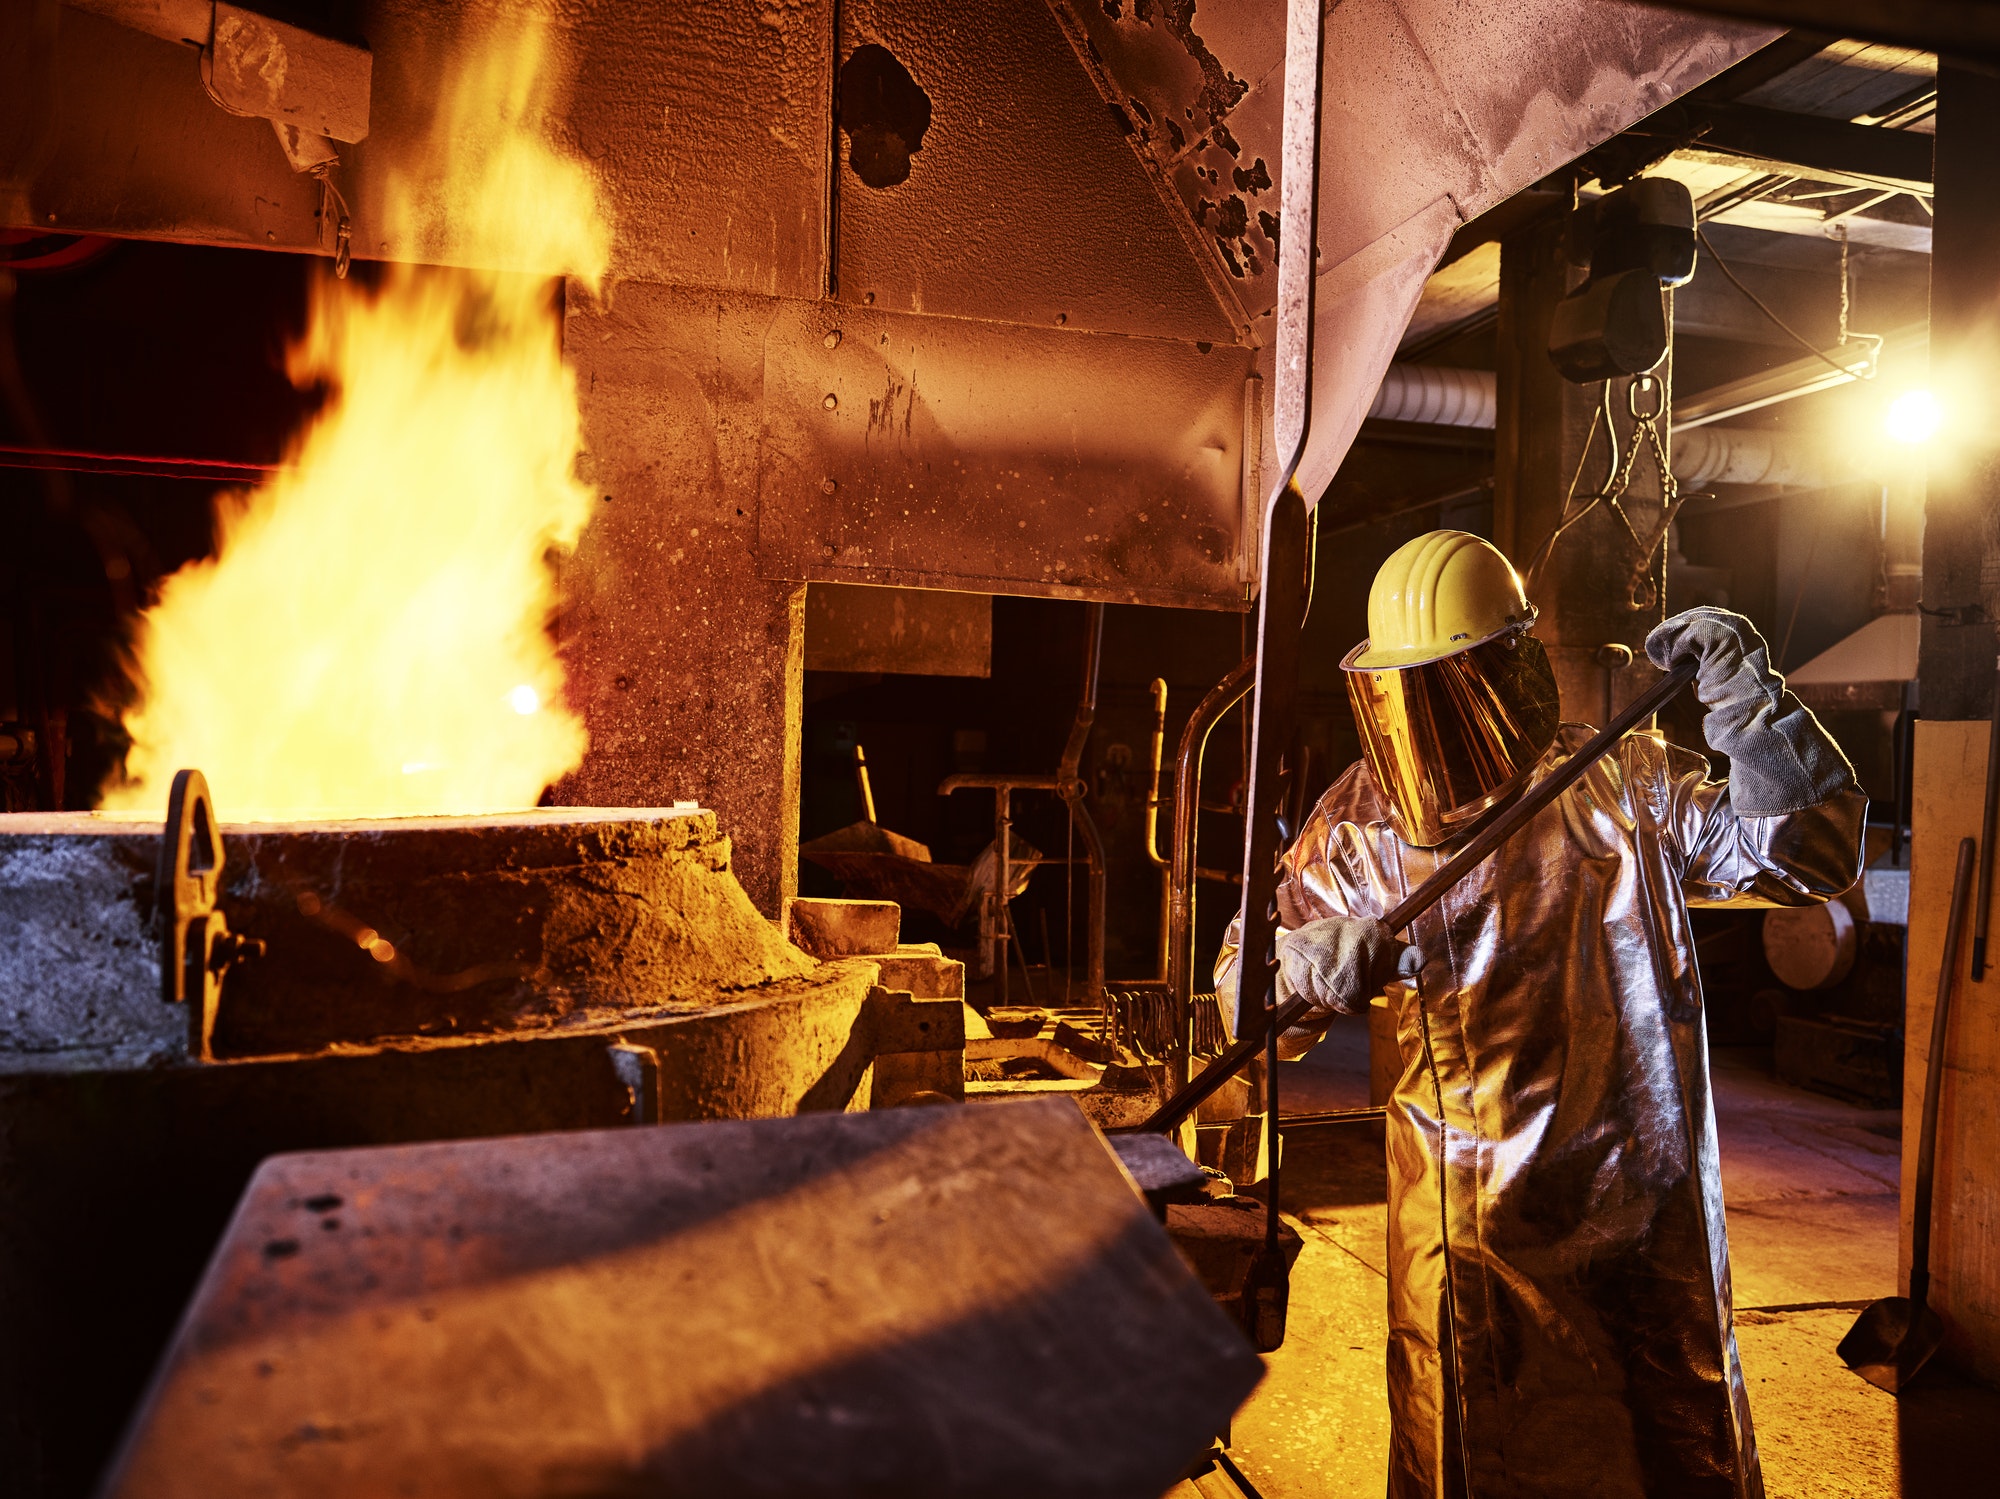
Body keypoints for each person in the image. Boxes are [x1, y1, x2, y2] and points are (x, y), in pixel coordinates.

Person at [1217, 530, 1863, 1499]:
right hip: (1470, 1224)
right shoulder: (1357, 827)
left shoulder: (1624, 780)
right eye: (1413, 692)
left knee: (1668, 1448)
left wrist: (1750, 709)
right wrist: (1290, 970)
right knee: (1477, 1450)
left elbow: (1808, 855)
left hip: (1644, 1209)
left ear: (1512, 669)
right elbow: (1243, 1007)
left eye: (1458, 684)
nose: (1435, 721)